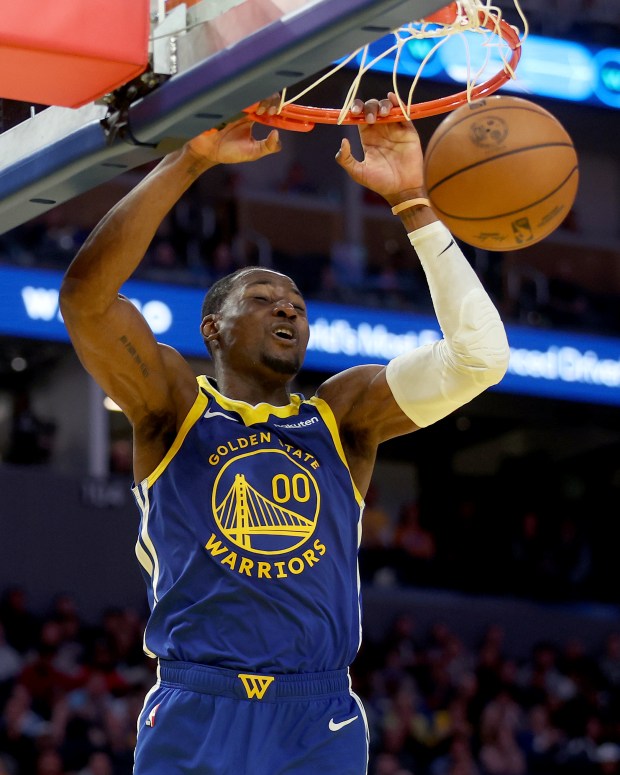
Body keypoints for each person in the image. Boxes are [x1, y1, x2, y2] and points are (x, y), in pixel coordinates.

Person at [58, 93, 510, 774]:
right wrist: (191, 158)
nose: (287, 310)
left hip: (316, 714)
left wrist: (415, 204)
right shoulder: (174, 407)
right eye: (264, 298)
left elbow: (481, 357)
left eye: (296, 305)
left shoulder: (344, 414)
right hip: (196, 703)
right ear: (212, 328)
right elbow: (86, 299)